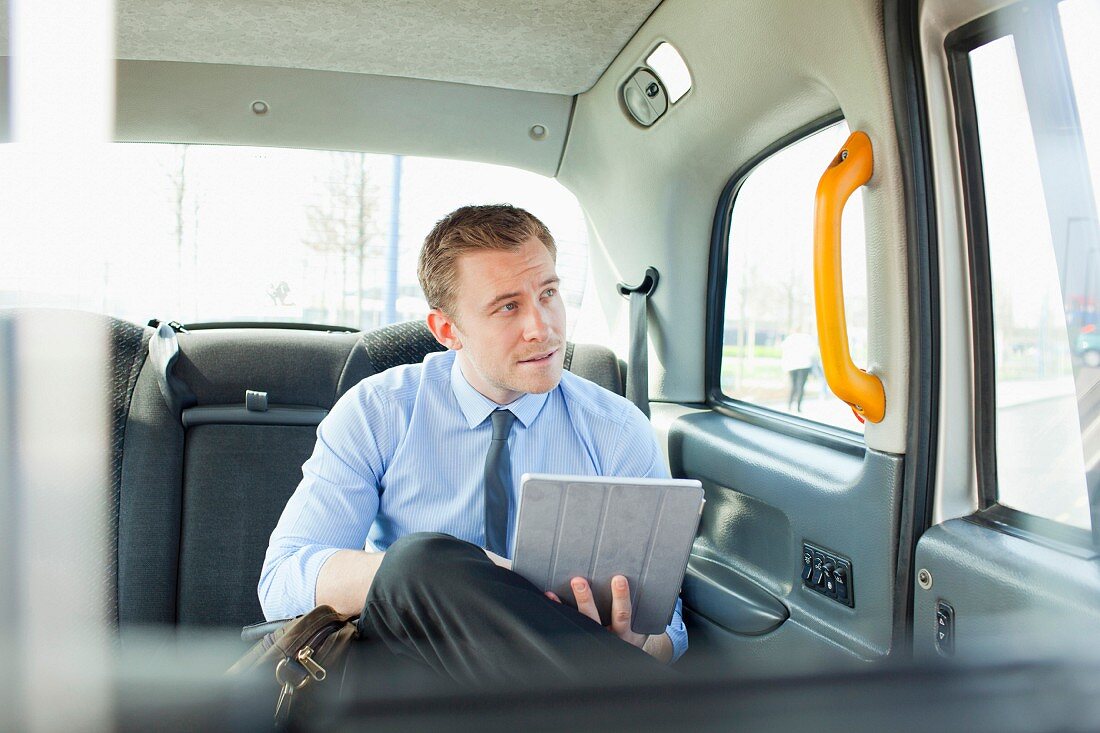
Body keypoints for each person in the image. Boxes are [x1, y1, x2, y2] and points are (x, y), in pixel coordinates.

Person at [258, 204, 686, 686]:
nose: (542, 328)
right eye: (508, 307)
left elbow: (668, 627)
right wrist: (467, 575)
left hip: (562, 675)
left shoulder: (617, 429)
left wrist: (637, 642)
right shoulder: (378, 411)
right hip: (412, 668)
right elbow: (283, 582)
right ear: (447, 330)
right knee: (421, 560)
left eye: (548, 294)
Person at [780, 331, 815, 412]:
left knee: (793, 386)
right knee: (801, 387)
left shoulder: (789, 339)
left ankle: (789, 405)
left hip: (792, 365)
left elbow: (784, 352)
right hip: (804, 365)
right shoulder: (807, 338)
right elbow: (812, 352)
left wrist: (784, 367)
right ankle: (798, 407)